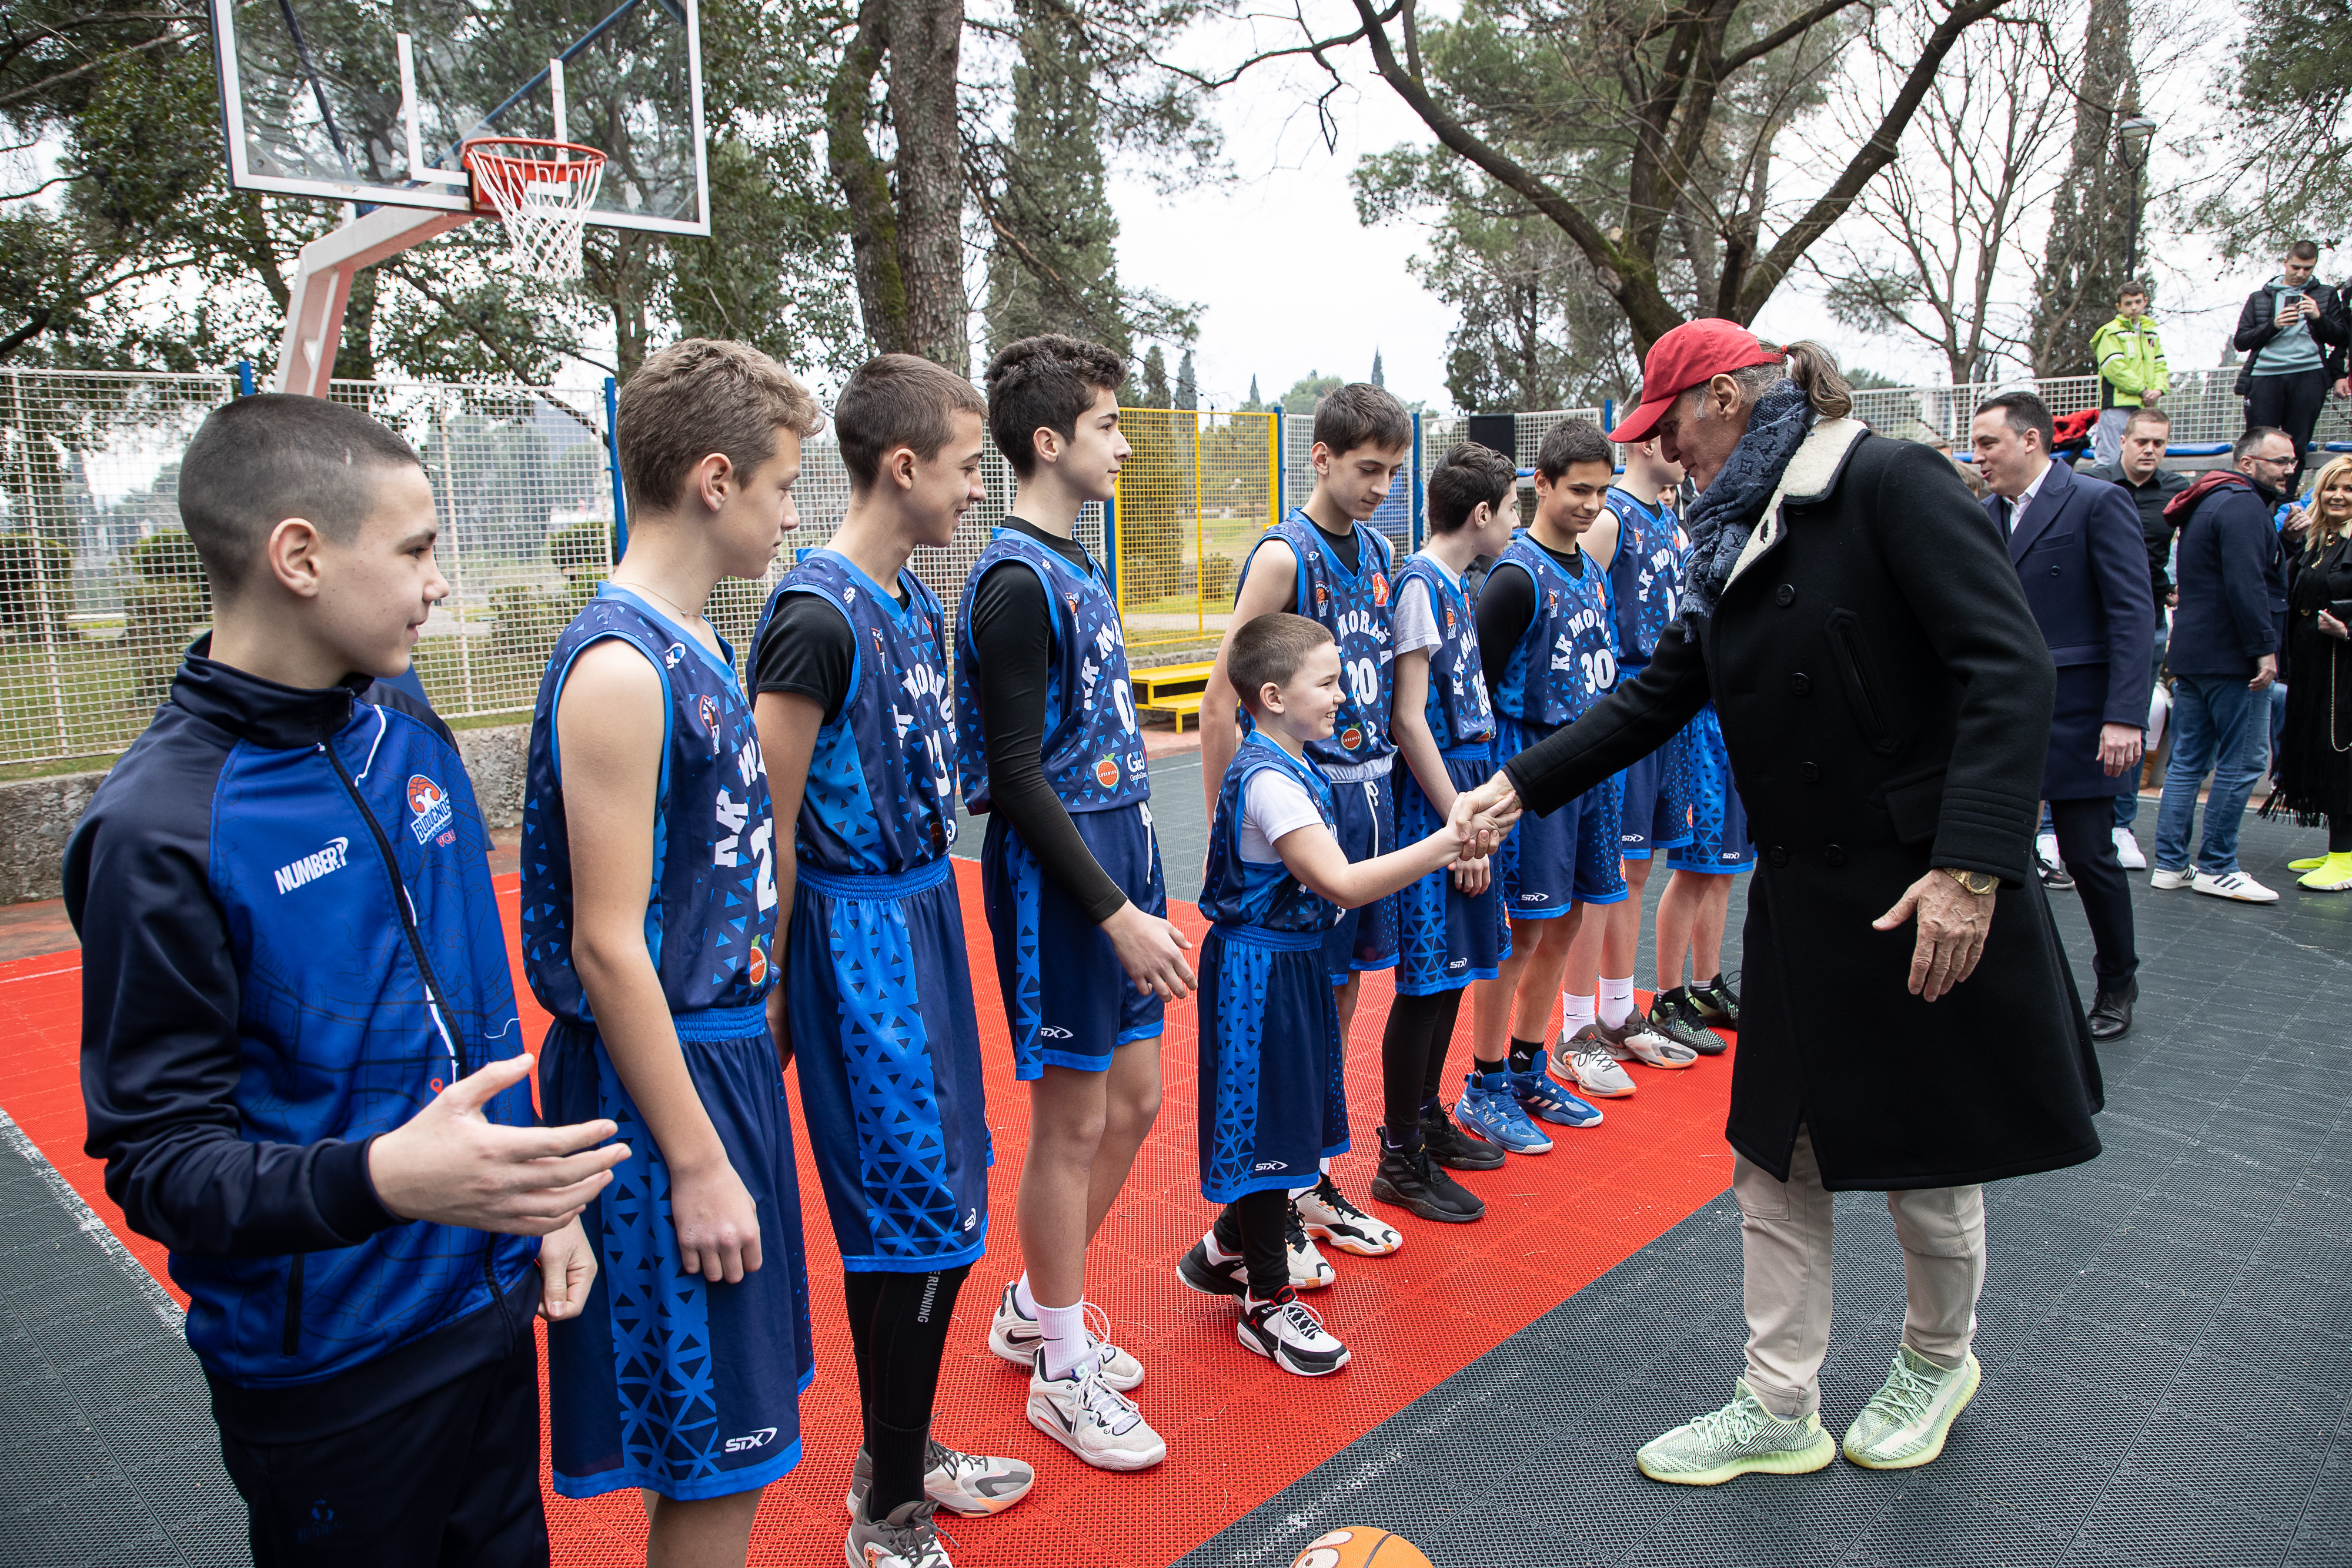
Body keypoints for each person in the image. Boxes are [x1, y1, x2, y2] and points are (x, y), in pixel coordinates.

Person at [1452, 320, 2103, 1486]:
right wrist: (1510, 786)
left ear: (1725, 400)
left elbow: (2008, 665)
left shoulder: (1884, 479)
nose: (1664, 457)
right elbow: (1660, 690)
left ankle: (1935, 1356)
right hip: (1805, 892)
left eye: (1668, 431)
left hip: (1917, 884)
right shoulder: (1728, 534)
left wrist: (1969, 868)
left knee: (1925, 1157)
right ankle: (1775, 1400)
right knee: (1775, 1155)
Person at [68, 395, 623, 1568]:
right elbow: (159, 1161)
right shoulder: (160, 827)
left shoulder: (406, 723)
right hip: (328, 1377)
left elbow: (464, 1012)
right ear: (300, 557)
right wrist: (385, 1178)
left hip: (483, 1309)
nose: (438, 581)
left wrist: (540, 1203)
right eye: (416, 547)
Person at [523, 340, 821, 1567]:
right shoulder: (619, 666)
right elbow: (606, 946)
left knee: (740, 1440)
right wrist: (697, 1161)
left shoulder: (694, 636)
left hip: (720, 1061)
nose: (793, 511)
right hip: (663, 1098)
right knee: (709, 1450)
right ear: (713, 479)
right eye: (782, 485)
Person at [750, 355, 1031, 1567]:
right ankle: (885, 1511)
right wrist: (766, 993)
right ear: (902, 466)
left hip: (920, 918)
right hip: (854, 939)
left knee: (939, 1208)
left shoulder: (912, 597)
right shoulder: (813, 618)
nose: (978, 490)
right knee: (919, 1218)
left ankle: (898, 1454)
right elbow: (764, 826)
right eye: (968, 467)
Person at [956, 335, 1187, 1471]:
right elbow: (1014, 772)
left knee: (1137, 1099)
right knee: (1074, 1118)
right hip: (1062, 884)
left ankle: (1034, 1305)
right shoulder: (1013, 582)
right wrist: (1114, 910)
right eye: (1108, 423)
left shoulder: (1079, 561)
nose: (1125, 442)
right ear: (1049, 442)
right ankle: (1057, 1363)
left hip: (1116, 851)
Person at [1178, 612, 1469, 1375]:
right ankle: (1267, 1302)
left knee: (1291, 1113)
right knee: (1270, 1121)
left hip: (1292, 963)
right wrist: (1446, 842)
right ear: (1273, 694)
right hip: (1259, 971)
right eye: (1330, 681)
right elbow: (1338, 879)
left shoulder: (1292, 758)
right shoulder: (1272, 777)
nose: (1346, 693)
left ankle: (1228, 1246)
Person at [1197, 383, 1415, 1273]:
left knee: (1344, 995)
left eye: (1394, 472)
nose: (1380, 487)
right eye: (1368, 469)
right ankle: (1270, 1198)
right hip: (1299, 812)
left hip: (1364, 794)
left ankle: (1310, 1175)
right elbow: (1223, 698)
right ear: (1320, 457)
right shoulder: (1287, 556)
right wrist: (1229, 842)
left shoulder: (1379, 548)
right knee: (1293, 1005)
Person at [1971, 390, 2154, 1041]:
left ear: (2030, 440)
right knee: (1997, 857)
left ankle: (2116, 980)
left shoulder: (2097, 502)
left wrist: (2125, 715)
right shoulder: (1981, 513)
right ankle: (2017, 986)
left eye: (1989, 442)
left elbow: (2133, 616)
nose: (1978, 455)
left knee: (2088, 856)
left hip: (2081, 716)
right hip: (2005, 715)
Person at [1468, 419, 1630, 1116]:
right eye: (1578, 490)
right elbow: (1477, 690)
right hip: (1532, 769)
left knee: (1568, 921)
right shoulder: (1513, 577)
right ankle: (1487, 1079)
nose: (1592, 505)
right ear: (1541, 484)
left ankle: (1534, 1064)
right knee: (1521, 932)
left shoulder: (1592, 569)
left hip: (1592, 772)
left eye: (1602, 490)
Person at [1378, 440, 1524, 1212]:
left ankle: (1427, 1118)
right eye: (1512, 507)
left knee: (1456, 971)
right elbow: (1409, 718)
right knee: (1425, 979)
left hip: (1468, 789)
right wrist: (1458, 820)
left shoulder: (1456, 584)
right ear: (1481, 513)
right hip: (1438, 799)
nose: (1517, 522)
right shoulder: (1419, 586)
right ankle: (1398, 1151)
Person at [1575, 433, 1712, 1066]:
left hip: (1669, 705)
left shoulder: (1667, 515)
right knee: (1611, 870)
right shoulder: (1611, 520)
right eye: (1676, 438)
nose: (1686, 450)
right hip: (1628, 698)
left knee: (1638, 868)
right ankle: (1583, 1023)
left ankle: (1619, 1008)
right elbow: (1573, 608)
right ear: (1651, 439)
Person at [2151, 426, 2297, 904]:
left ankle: (2171, 865)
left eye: (2293, 461)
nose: (2289, 470)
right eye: (2280, 461)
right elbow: (2247, 583)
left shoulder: (2208, 502)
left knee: (2189, 760)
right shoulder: (2242, 505)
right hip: (2232, 659)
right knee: (2243, 760)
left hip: (2194, 654)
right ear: (2249, 463)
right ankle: (2218, 865)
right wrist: (2264, 647)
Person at [2267, 455, 2352, 890]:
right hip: (2312, 665)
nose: (2339, 496)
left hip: (2343, 670)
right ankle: (2341, 847)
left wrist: (2347, 626)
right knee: (2320, 751)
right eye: (2332, 488)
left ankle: (2345, 856)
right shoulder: (2320, 540)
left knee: (2342, 756)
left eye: (2349, 489)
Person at [2234, 241, 2350, 487]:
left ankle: (2285, 500)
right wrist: (2273, 325)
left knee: (2297, 444)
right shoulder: (2259, 298)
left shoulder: (2326, 294)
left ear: (2314, 267)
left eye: (2307, 269)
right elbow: (2242, 342)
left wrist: (2318, 318)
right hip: (2265, 375)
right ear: (2285, 262)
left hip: (2309, 374)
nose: (2300, 274)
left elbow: (2340, 337)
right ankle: (2254, 497)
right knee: (2259, 442)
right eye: (2295, 267)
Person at [2089, 281, 2169, 469]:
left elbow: (2161, 365)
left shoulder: (2151, 333)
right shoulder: (2110, 332)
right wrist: (2143, 390)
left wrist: (2159, 390)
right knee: (2109, 460)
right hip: (2118, 405)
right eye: (2128, 303)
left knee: (2140, 461)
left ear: (2145, 301)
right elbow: (2114, 369)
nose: (2134, 307)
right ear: (2119, 306)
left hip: (2144, 407)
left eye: (2137, 302)